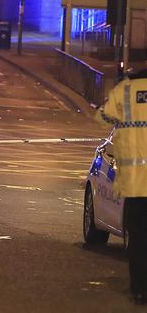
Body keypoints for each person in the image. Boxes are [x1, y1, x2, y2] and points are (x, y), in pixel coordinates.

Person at [96, 67, 147, 305]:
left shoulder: (125, 90)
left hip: (135, 182)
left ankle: (139, 288)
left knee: (137, 237)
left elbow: (103, 117)